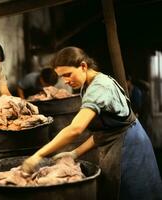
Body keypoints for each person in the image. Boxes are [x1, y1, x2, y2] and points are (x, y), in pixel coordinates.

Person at [21, 47, 162, 200]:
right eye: (62, 77)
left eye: (68, 74)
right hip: (116, 143)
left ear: (83, 66)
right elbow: (103, 133)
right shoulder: (87, 85)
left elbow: (76, 129)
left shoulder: (99, 87)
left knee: (134, 194)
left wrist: (38, 155)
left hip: (131, 148)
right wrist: (75, 153)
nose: (66, 81)